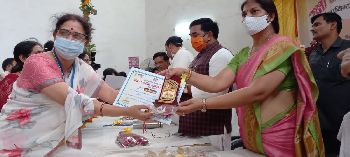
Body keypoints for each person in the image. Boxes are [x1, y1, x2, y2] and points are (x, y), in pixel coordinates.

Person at [162, 0, 324, 156]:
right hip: (251, 136)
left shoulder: (283, 47)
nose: (248, 18)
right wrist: (181, 72)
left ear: (271, 16)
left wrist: (202, 104)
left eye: (254, 12)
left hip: (278, 134)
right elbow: (217, 83)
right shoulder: (244, 54)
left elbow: (258, 92)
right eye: (244, 14)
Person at [0, 13, 151, 156]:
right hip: (15, 140)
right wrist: (128, 112)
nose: (70, 39)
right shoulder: (37, 62)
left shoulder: (82, 68)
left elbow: (111, 94)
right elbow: (76, 102)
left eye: (77, 36)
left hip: (51, 142)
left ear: (85, 42)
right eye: (65, 33)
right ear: (55, 35)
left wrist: (151, 103)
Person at [176, 18, 235, 151]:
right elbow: (188, 79)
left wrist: (185, 89)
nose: (192, 40)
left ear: (209, 35)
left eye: (195, 35)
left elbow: (219, 90)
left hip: (213, 126)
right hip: (195, 122)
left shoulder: (221, 55)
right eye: (191, 36)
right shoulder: (199, 56)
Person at [308, 12, 350, 156]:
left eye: (317, 24)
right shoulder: (313, 54)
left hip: (343, 124)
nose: (312, 28)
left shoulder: (348, 49)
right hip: (318, 123)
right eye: (312, 25)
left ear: (333, 25)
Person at [0, 40, 43, 110]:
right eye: (38, 53)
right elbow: (3, 106)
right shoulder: (12, 79)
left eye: (43, 53)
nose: (43, 57)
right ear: (23, 58)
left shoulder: (45, 77)